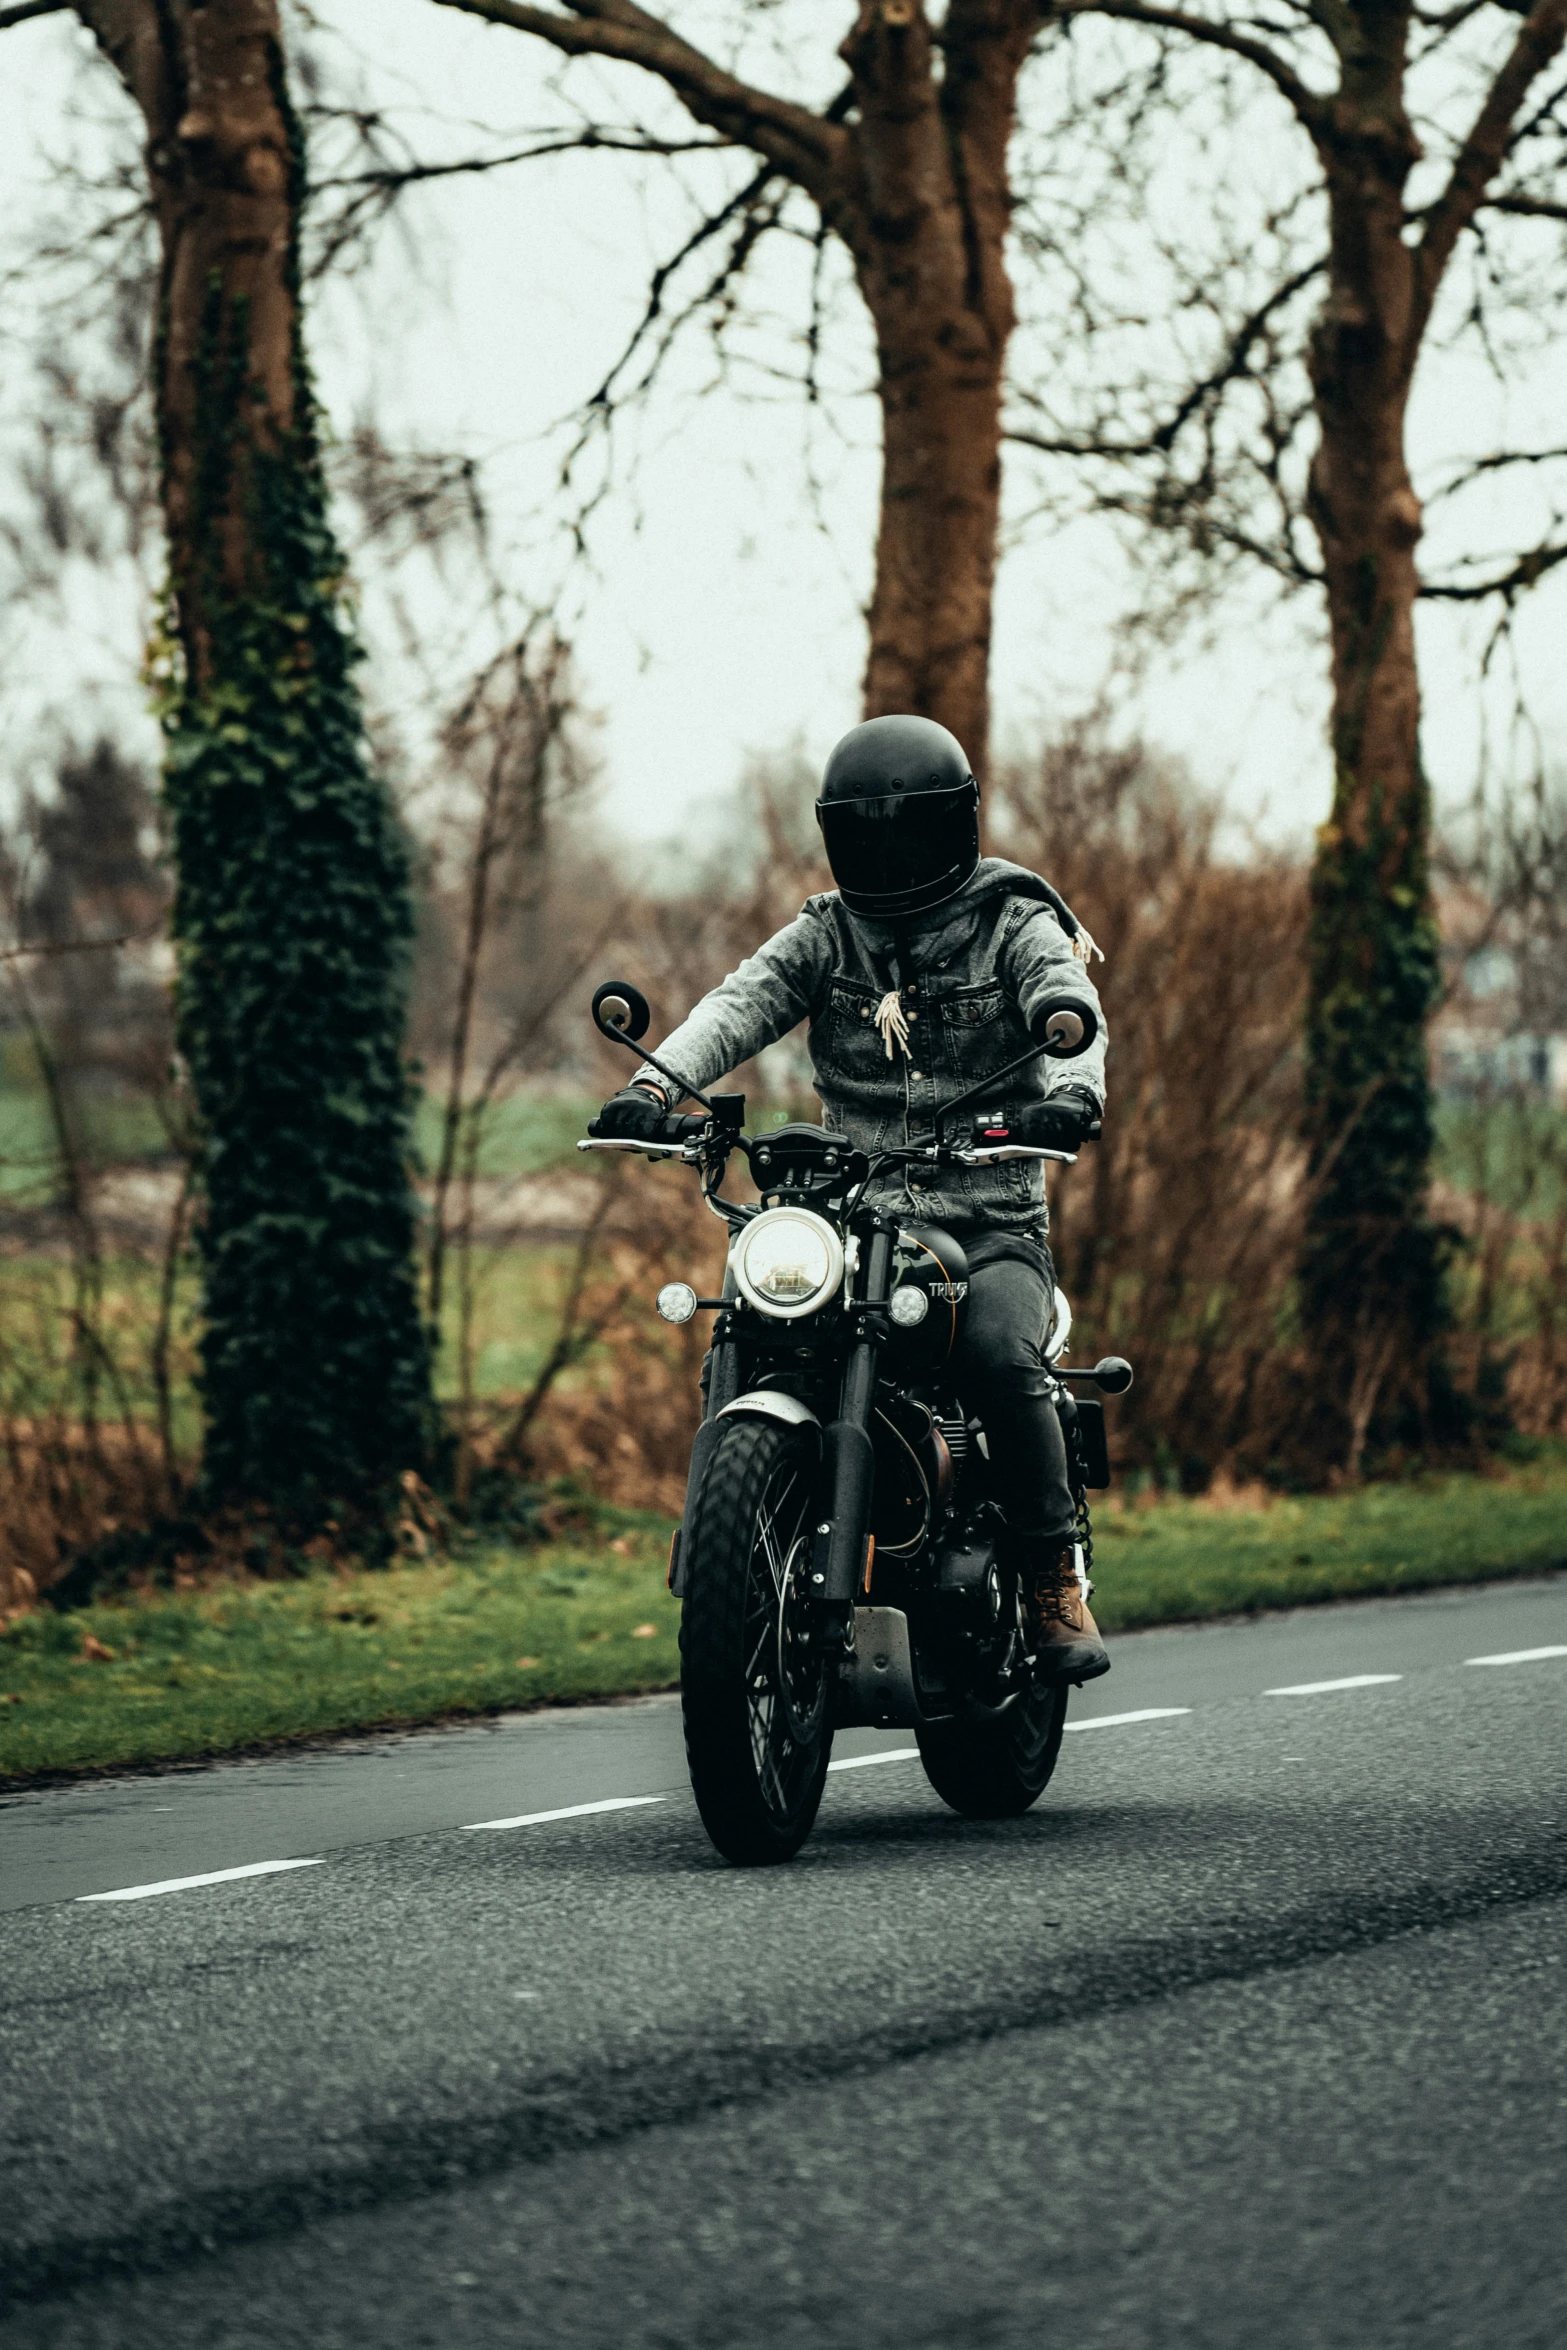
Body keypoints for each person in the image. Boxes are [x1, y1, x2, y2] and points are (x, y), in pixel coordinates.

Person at [589, 714, 1110, 1683]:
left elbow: (1065, 1003)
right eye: (866, 832)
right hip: (850, 1213)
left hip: (986, 1220)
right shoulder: (827, 932)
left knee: (1000, 1352)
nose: (888, 851)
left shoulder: (1015, 920)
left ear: (949, 825)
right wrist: (657, 1086)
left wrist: (1072, 1083)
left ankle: (1050, 1572)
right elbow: (740, 1004)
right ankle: (724, 1546)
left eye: (905, 828)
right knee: (749, 1314)